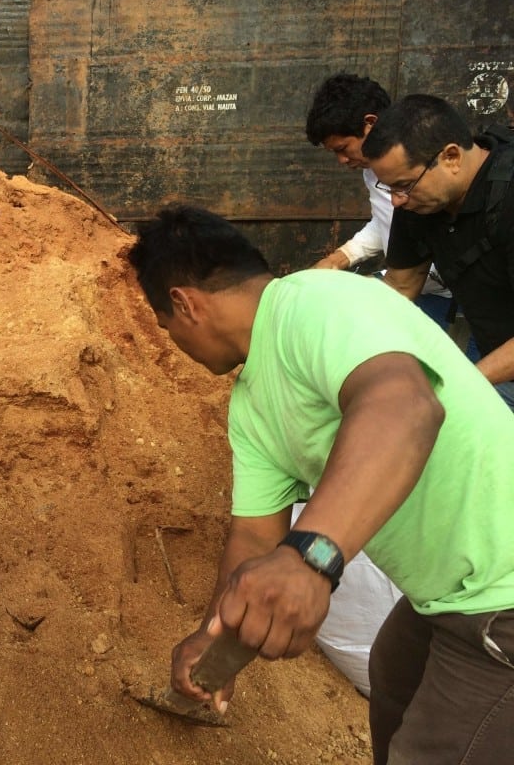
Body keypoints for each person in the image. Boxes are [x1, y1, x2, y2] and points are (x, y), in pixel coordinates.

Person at [127, 204, 514, 764]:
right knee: (392, 677)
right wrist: (211, 636)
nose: (176, 347)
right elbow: (256, 540)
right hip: (449, 595)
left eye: (168, 329)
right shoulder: (252, 403)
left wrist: (310, 559)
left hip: (502, 594)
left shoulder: (317, 302)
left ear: (186, 304)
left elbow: (405, 406)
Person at [363, 94, 514, 409]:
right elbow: (400, 288)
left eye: (403, 185)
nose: (396, 201)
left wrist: (460, 384)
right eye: (389, 188)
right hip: (497, 367)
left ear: (452, 157)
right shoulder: (417, 202)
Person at [305, 73, 457, 333]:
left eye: (343, 148)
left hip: (454, 298)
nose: (399, 200)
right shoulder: (372, 171)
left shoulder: (428, 167)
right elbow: (386, 221)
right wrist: (342, 257)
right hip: (413, 290)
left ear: (370, 124)